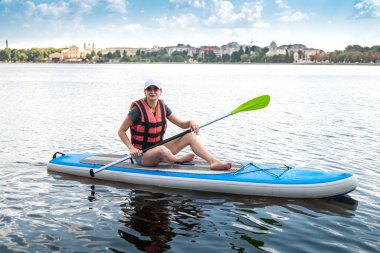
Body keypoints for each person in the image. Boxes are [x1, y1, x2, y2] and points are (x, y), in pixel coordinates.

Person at [118, 79, 232, 170]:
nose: (152, 91)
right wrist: (131, 148)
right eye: (149, 89)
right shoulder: (137, 110)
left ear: (160, 91)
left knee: (191, 136)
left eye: (155, 89)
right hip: (141, 156)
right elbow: (121, 131)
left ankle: (213, 162)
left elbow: (182, 124)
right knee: (161, 150)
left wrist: (191, 122)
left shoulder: (163, 107)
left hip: (158, 148)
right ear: (145, 91)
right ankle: (178, 160)